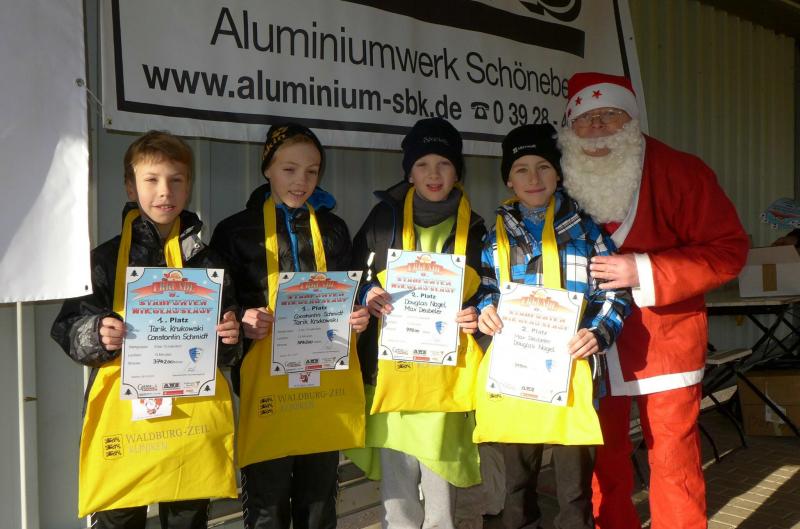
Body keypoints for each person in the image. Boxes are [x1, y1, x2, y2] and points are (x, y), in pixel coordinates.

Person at [558, 72, 750, 529]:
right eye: (586, 118)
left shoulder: (682, 172)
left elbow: (729, 250)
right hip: (589, 343)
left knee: (672, 458)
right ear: (569, 127)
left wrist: (642, 270)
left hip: (666, 336)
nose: (598, 127)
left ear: (632, 120)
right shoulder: (557, 178)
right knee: (603, 456)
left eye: (610, 115)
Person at [51, 130, 242, 529]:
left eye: (176, 180)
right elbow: (66, 327)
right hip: (126, 422)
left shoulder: (209, 263)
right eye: (151, 180)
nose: (164, 191)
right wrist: (96, 333)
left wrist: (229, 336)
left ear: (188, 186)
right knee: (119, 516)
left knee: (188, 515)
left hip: (191, 415)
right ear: (130, 186)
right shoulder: (104, 260)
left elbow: (228, 342)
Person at [209, 123, 370, 529]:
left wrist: (357, 315)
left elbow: (350, 292)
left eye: (312, 172)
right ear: (267, 168)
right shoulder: (235, 231)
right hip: (265, 381)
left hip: (323, 382)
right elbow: (219, 305)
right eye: (289, 170)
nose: (301, 181)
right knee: (268, 496)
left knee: (318, 498)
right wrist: (242, 318)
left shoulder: (333, 229)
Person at [476, 123, 632, 529]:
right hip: (515, 377)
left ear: (558, 174)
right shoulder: (494, 236)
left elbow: (616, 292)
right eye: (522, 169)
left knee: (574, 490)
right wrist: (485, 309)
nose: (533, 178)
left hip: (572, 374)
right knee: (516, 486)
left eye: (543, 166)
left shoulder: (586, 230)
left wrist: (597, 332)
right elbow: (485, 288)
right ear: (509, 179)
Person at [350, 117, 486, 529]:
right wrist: (367, 292)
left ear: (458, 172)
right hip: (393, 372)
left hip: (444, 375)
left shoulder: (477, 227)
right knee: (398, 484)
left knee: (440, 477)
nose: (433, 174)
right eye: (422, 164)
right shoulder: (383, 218)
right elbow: (355, 273)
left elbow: (490, 288)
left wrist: (476, 311)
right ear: (409, 172)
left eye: (444, 164)